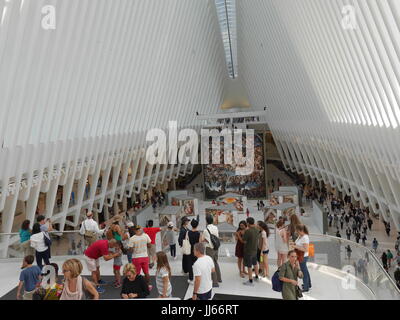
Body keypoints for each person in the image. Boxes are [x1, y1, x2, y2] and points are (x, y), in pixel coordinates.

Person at [128, 225, 152, 290]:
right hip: (145, 257)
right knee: (146, 272)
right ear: (141, 229)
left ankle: (137, 286)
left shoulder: (132, 238)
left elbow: (130, 250)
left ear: (135, 230)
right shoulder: (146, 236)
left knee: (136, 273)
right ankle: (147, 286)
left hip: (136, 257)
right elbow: (149, 246)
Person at [201, 214, 222, 287]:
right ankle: (219, 278)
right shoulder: (216, 228)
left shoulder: (205, 230)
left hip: (209, 249)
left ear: (206, 221)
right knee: (216, 262)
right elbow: (217, 236)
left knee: (210, 264)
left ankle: (215, 282)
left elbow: (202, 240)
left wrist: (206, 240)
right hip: (216, 248)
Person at [292, 224, 311, 293]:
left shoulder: (305, 237)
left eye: (297, 231)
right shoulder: (301, 236)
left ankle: (306, 288)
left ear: (301, 230)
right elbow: (298, 244)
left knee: (304, 272)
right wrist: (295, 244)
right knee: (305, 270)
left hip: (303, 256)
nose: (296, 232)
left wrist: (295, 246)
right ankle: (308, 284)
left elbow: (305, 249)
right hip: (301, 256)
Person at [242, 217, 260, 286]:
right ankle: (257, 277)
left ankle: (250, 280)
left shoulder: (248, 231)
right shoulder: (257, 230)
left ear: (248, 223)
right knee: (255, 264)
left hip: (248, 251)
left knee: (249, 266)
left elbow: (244, 241)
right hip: (255, 250)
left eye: (247, 223)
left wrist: (244, 232)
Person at [187, 219, 201, 284]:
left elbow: (186, 240)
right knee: (197, 264)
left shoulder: (188, 232)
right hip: (196, 250)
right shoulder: (198, 233)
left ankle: (191, 278)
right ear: (197, 225)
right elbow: (200, 243)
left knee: (190, 264)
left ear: (191, 225)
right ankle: (197, 277)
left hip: (189, 249)